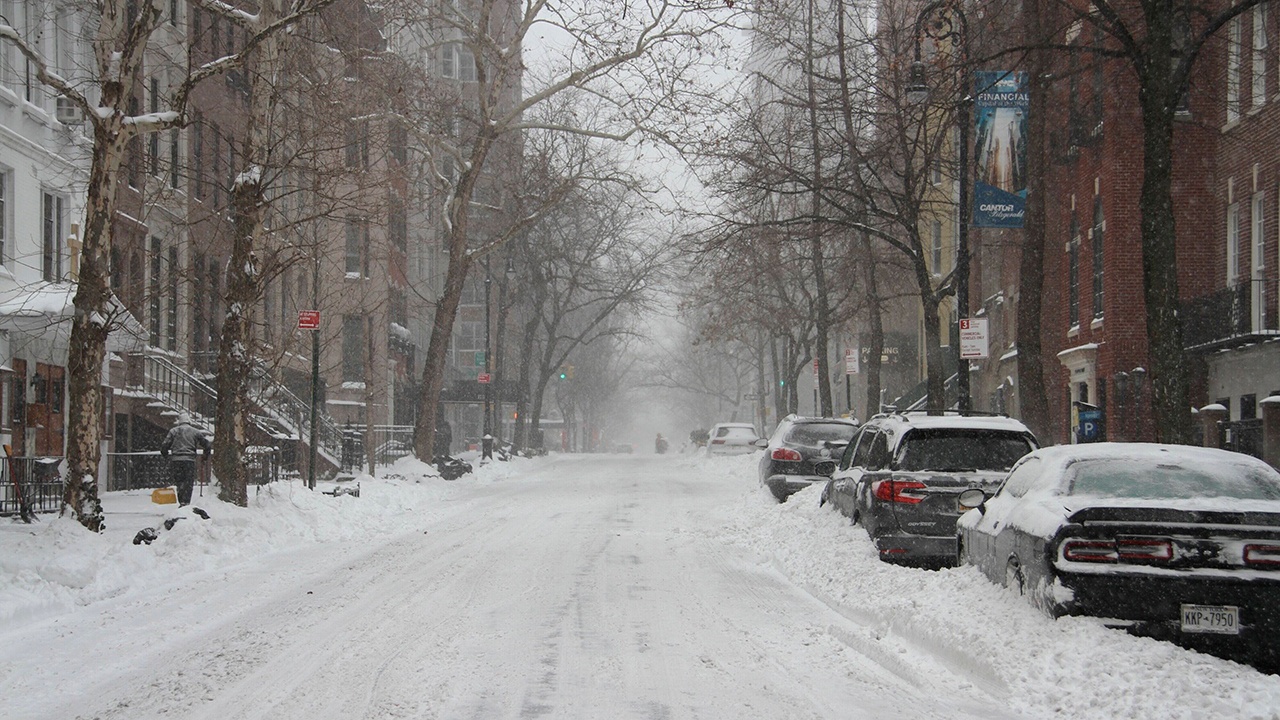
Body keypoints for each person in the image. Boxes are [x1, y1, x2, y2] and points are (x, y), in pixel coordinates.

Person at [160, 412, 211, 506]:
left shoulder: (173, 431)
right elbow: (207, 445)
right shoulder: (195, 432)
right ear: (189, 421)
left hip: (176, 460)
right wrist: (204, 456)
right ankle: (186, 502)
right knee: (188, 482)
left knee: (179, 481)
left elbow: (164, 446)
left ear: (179, 421)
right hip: (189, 460)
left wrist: (166, 456)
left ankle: (181, 500)